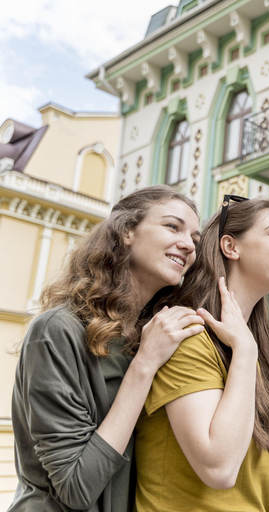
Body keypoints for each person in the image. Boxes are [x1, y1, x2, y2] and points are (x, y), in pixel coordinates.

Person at [10, 185, 205, 512]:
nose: (187, 244)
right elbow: (75, 487)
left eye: (195, 239)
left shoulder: (153, 336)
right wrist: (145, 365)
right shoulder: (57, 331)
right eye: (172, 226)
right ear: (128, 231)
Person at [132, 196, 269, 511]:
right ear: (230, 247)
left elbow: (250, 476)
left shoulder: (252, 354)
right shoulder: (188, 335)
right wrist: (246, 351)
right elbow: (219, 468)